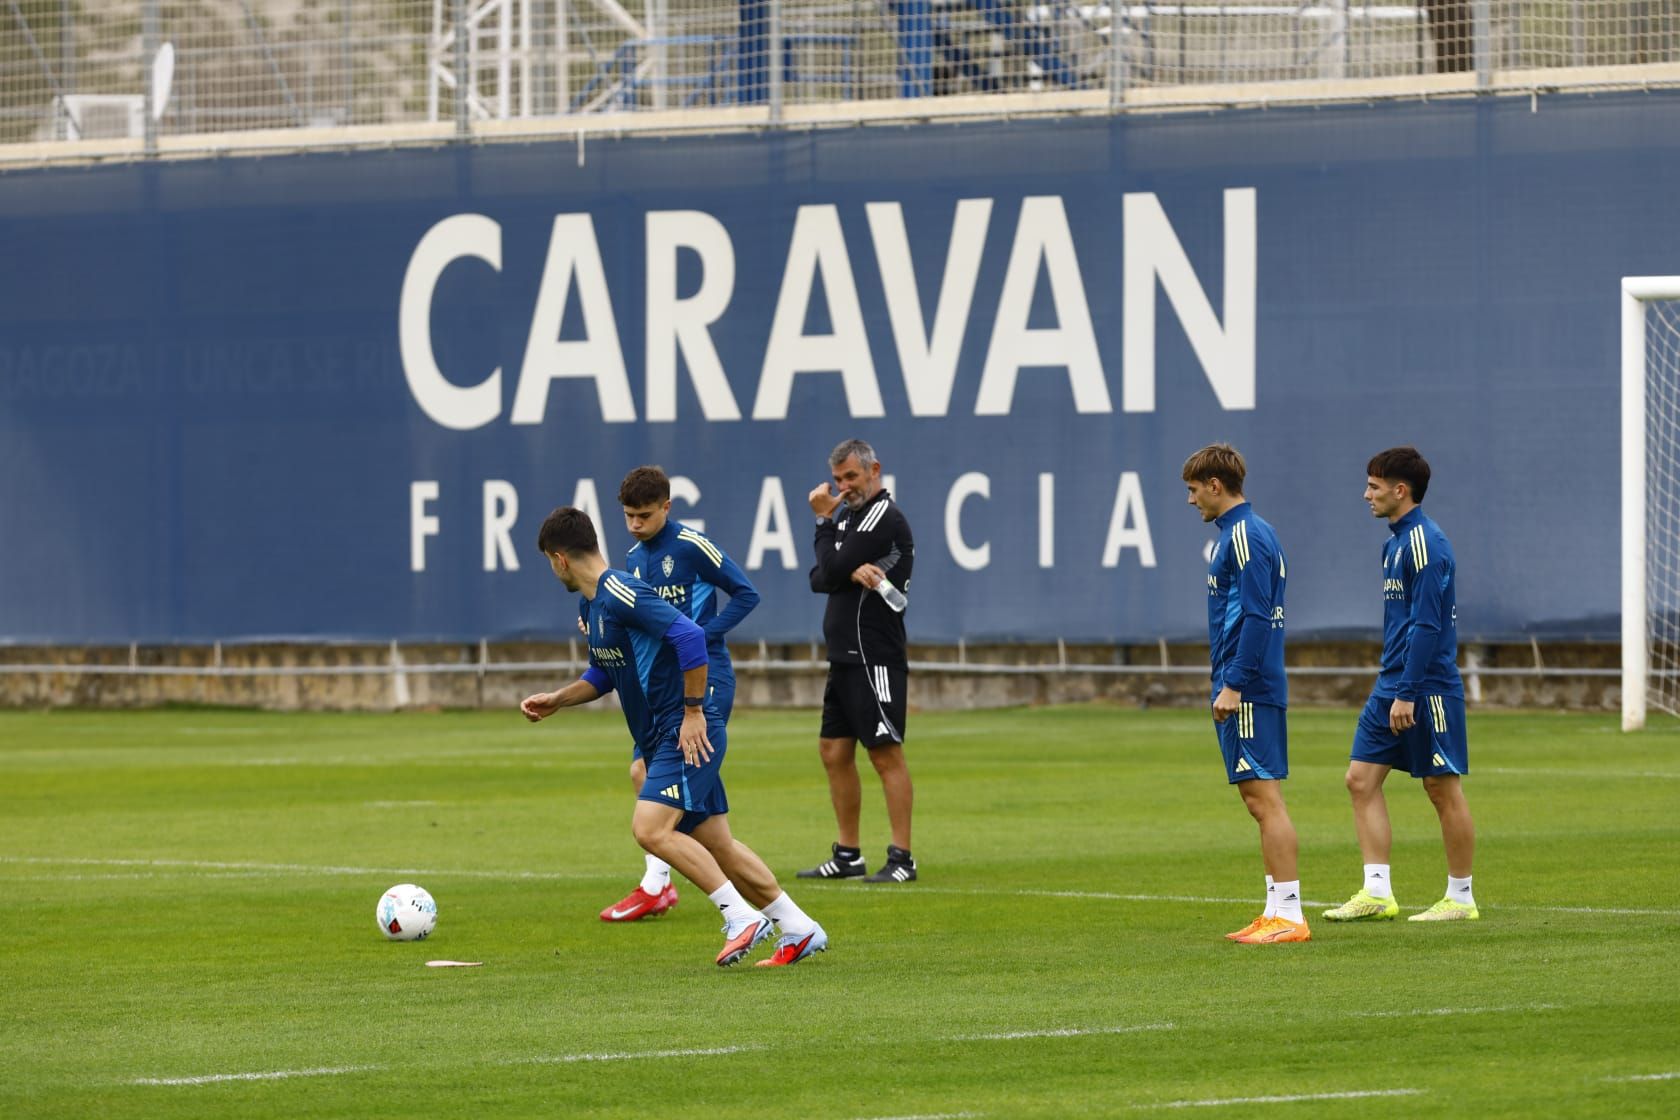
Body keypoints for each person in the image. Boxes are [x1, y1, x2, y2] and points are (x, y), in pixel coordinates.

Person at [521, 507, 827, 967]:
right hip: (660, 736)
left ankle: (740, 917)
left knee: (649, 828)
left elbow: (690, 637)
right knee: (718, 845)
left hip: (681, 734)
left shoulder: (621, 591)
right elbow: (606, 672)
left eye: (548, 562)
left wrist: (692, 712)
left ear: (559, 559)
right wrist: (559, 699)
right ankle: (798, 927)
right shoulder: (592, 603)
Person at [596, 466, 761, 924]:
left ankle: (666, 887)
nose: (635, 524)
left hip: (706, 682)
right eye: (628, 515)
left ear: (666, 507)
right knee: (642, 771)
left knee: (668, 793)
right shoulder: (632, 559)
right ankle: (663, 885)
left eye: (644, 515)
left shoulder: (691, 546)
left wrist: (703, 636)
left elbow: (746, 594)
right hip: (665, 686)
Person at [1324, 447, 1479, 923]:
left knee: (1440, 786)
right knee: (1359, 779)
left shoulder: (1425, 544)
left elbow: (1428, 628)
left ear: (1400, 490)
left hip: (1425, 686)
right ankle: (1377, 892)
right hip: (1391, 681)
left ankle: (1460, 897)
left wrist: (1408, 692)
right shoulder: (1394, 544)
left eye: (1373, 486)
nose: (1365, 494)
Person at [1183, 444, 1310, 944]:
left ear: (1216, 486)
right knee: (1259, 798)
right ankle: (1275, 908)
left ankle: (1291, 916)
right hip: (1247, 682)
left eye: (1194, 491)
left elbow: (1258, 616)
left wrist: (1234, 684)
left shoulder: (1244, 536)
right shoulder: (1248, 533)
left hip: (1249, 686)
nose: (1191, 501)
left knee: (1264, 799)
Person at [798, 438, 918, 883]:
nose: (845, 486)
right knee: (833, 751)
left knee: (885, 753)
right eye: (839, 479)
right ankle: (849, 854)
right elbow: (818, 577)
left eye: (851, 476)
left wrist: (822, 522)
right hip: (844, 655)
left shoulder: (883, 517)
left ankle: (902, 858)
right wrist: (844, 566)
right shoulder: (848, 518)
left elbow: (827, 568)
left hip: (874, 654)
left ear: (874, 470)